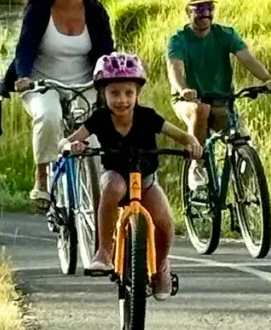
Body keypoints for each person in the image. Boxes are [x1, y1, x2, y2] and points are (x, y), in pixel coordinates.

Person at [61, 52, 202, 301]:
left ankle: (160, 266)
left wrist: (192, 145)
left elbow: (182, 136)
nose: (122, 100)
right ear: (103, 94)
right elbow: (69, 141)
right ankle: (104, 251)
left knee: (165, 223)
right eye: (114, 93)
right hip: (115, 175)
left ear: (137, 93)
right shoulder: (100, 119)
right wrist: (73, 146)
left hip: (145, 182)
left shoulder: (148, 117)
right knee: (112, 188)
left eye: (128, 93)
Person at [0, 0, 115, 211]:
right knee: (49, 116)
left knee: (95, 140)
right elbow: (26, 46)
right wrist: (23, 77)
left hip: (84, 84)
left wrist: (109, 79)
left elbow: (106, 50)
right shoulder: (40, 8)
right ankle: (41, 178)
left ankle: (97, 198)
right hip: (42, 83)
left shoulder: (94, 10)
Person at [166, 0, 271, 190]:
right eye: (199, 9)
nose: (205, 13)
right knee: (201, 110)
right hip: (189, 101)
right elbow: (175, 68)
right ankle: (197, 165)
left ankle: (241, 196)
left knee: (244, 143)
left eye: (209, 7)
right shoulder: (179, 39)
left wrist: (267, 79)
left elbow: (246, 58)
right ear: (188, 12)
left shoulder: (225, 34)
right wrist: (183, 89)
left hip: (222, 100)